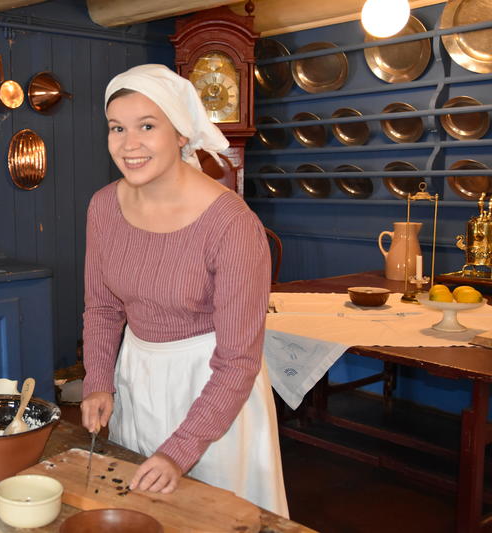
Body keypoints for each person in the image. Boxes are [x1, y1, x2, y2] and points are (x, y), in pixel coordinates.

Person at [80, 64, 288, 517]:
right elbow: (101, 308)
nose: (128, 144)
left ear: (180, 134)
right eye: (117, 128)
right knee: (141, 514)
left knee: (208, 517)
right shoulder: (103, 207)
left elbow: (239, 361)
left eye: (147, 126)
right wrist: (98, 381)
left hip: (212, 390)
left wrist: (181, 448)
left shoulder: (231, 225)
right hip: (136, 375)